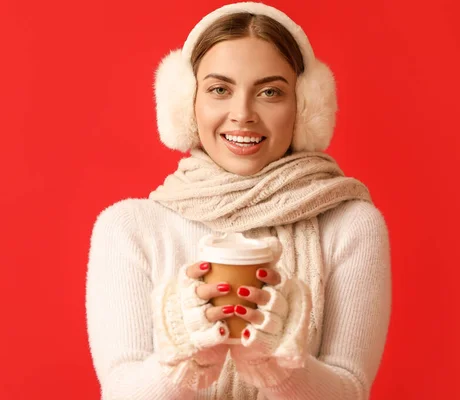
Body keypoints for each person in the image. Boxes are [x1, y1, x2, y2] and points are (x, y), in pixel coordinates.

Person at [86, 2, 391, 399]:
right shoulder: (129, 228)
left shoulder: (349, 225)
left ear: (304, 106)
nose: (242, 113)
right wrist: (185, 358)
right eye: (219, 90)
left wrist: (277, 368)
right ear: (186, 105)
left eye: (269, 92)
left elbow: (350, 391)